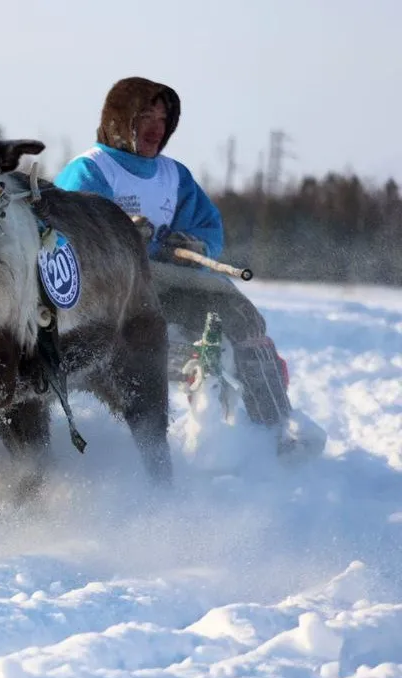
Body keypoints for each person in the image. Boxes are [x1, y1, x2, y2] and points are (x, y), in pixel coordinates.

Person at [54, 76, 324, 458]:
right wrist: (123, 235)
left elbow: (207, 225)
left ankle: (275, 431)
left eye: (163, 120)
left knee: (241, 318)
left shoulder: (174, 176)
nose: (155, 128)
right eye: (145, 116)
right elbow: (71, 237)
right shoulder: (90, 171)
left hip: (167, 283)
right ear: (120, 119)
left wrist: (192, 242)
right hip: (110, 298)